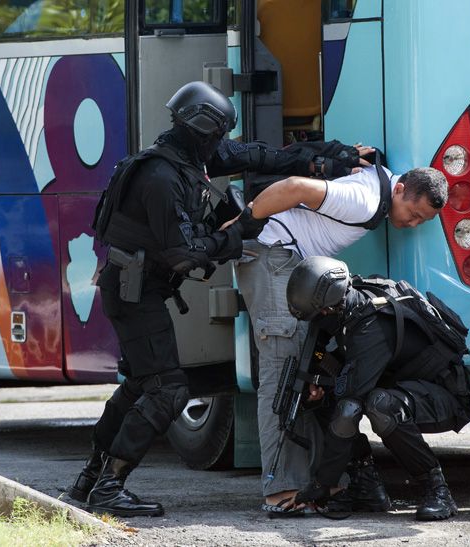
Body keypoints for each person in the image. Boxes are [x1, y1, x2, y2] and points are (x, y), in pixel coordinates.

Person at [68, 81, 369, 517]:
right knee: (168, 392)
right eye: (218, 136)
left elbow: (259, 155)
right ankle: (109, 486)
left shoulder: (188, 156)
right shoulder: (161, 177)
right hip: (135, 294)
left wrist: (332, 155)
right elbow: (183, 254)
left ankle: (90, 480)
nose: (222, 145)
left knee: (139, 385)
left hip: (135, 290)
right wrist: (240, 229)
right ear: (203, 129)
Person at [234, 155, 449, 514]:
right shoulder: (365, 201)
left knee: (302, 378)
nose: (412, 224)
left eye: (421, 221)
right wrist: (241, 224)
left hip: (287, 262)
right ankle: (280, 490)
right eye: (413, 214)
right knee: (282, 374)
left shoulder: (376, 183)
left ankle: (318, 485)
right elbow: (293, 188)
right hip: (274, 258)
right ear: (399, 189)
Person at [284, 256, 470, 520]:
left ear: (329, 306)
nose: (319, 318)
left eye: (319, 313)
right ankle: (365, 489)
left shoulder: (371, 323)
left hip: (450, 396)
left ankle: (437, 491)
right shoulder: (351, 301)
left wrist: (321, 485)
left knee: (378, 406)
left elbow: (349, 408)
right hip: (411, 387)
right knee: (329, 396)